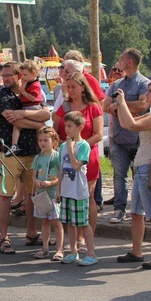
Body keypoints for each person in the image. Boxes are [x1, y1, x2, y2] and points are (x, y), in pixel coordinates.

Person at [0, 62, 51, 253]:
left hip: (32, 151)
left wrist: (27, 116)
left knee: (31, 195)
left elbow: (44, 116)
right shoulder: (1, 95)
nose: (6, 78)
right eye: (4, 75)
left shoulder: (30, 90)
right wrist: (35, 119)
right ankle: (3, 238)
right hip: (10, 151)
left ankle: (31, 234)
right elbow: (13, 118)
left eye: (10, 75)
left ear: (20, 76)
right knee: (5, 196)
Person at [114, 80, 151, 269]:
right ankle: (136, 252)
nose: (146, 94)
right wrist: (121, 105)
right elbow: (125, 123)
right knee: (136, 213)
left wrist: (122, 102)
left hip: (148, 168)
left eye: (150, 91)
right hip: (141, 167)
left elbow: (131, 125)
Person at [52, 72, 103, 250]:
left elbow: (98, 134)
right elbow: (55, 130)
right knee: (69, 196)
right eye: (68, 86)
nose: (70, 90)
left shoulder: (93, 107)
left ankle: (86, 236)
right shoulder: (64, 107)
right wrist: (61, 145)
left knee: (86, 196)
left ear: (83, 87)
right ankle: (73, 239)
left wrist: (79, 147)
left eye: (74, 86)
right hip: (67, 158)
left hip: (88, 157)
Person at [102, 48, 150, 224]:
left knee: (140, 174)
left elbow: (143, 105)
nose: (118, 63)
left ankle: (140, 209)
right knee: (118, 174)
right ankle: (119, 209)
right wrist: (114, 106)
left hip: (136, 137)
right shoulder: (116, 84)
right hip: (117, 136)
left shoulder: (144, 83)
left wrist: (121, 105)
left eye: (121, 60)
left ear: (129, 62)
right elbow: (105, 104)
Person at [58, 111, 97, 266]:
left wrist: (70, 147)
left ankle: (91, 253)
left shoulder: (83, 145)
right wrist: (59, 190)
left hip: (79, 191)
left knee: (83, 222)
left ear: (80, 127)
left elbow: (75, 166)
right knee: (69, 223)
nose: (66, 129)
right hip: (66, 190)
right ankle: (73, 252)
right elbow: (62, 169)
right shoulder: (62, 147)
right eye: (65, 126)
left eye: (70, 126)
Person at [31, 127, 63, 261]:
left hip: (53, 193)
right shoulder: (38, 158)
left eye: (45, 140)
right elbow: (33, 176)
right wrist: (37, 182)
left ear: (53, 141)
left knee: (56, 222)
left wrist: (52, 184)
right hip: (41, 194)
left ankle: (59, 249)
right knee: (44, 222)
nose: (42, 143)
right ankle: (45, 247)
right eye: (40, 140)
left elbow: (61, 175)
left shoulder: (57, 156)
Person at [11, 60, 43, 152]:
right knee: (17, 125)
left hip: (32, 107)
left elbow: (33, 98)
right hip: (26, 106)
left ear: (33, 73)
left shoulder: (35, 84)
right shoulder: (28, 83)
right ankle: (14, 145)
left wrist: (23, 92)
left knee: (36, 127)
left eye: (25, 75)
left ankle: (39, 145)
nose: (23, 77)